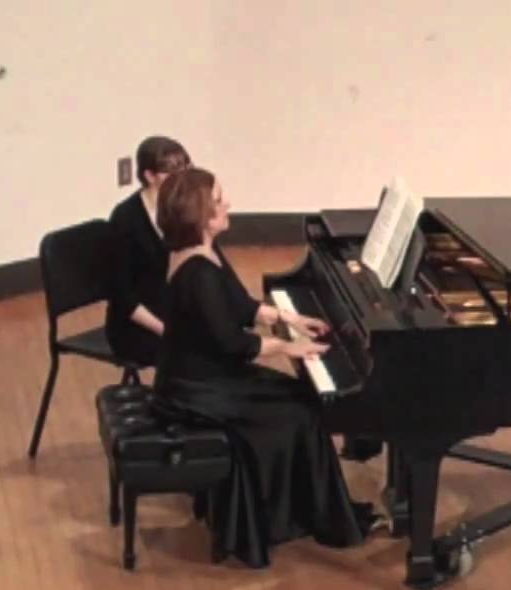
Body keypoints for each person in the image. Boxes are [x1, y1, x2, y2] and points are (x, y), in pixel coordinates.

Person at [152, 166, 377, 567]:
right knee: (302, 410)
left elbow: (240, 306)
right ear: (200, 216)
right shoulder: (197, 273)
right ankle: (297, 520)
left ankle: (310, 512)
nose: (228, 204)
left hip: (207, 374)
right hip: (196, 390)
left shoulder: (204, 251)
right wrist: (290, 348)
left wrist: (290, 320)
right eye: (218, 200)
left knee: (301, 397)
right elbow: (234, 344)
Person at [104, 136, 191, 366]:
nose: (182, 178)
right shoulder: (125, 219)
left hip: (170, 310)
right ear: (150, 176)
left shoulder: (181, 208)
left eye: (185, 168)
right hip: (137, 326)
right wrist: (168, 331)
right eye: (172, 171)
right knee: (198, 352)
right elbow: (122, 297)